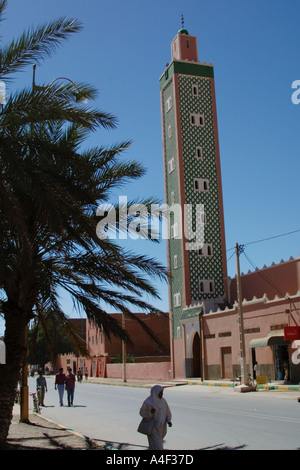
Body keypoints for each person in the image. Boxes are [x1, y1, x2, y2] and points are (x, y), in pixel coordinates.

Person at [139, 385, 172, 450]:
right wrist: (150, 412)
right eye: (160, 393)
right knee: (158, 447)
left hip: (162, 427)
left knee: (155, 446)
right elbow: (142, 413)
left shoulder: (163, 401)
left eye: (162, 392)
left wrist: (169, 420)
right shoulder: (148, 402)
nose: (161, 394)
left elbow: (167, 411)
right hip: (153, 428)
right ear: (155, 392)